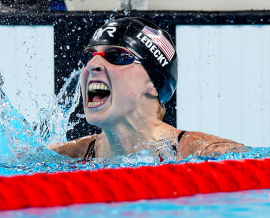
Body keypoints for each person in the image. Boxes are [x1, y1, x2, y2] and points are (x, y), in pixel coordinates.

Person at [48, 17, 245, 161]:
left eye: (117, 56)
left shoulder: (203, 152)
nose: (92, 65)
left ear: (153, 82)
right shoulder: (63, 156)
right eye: (90, 56)